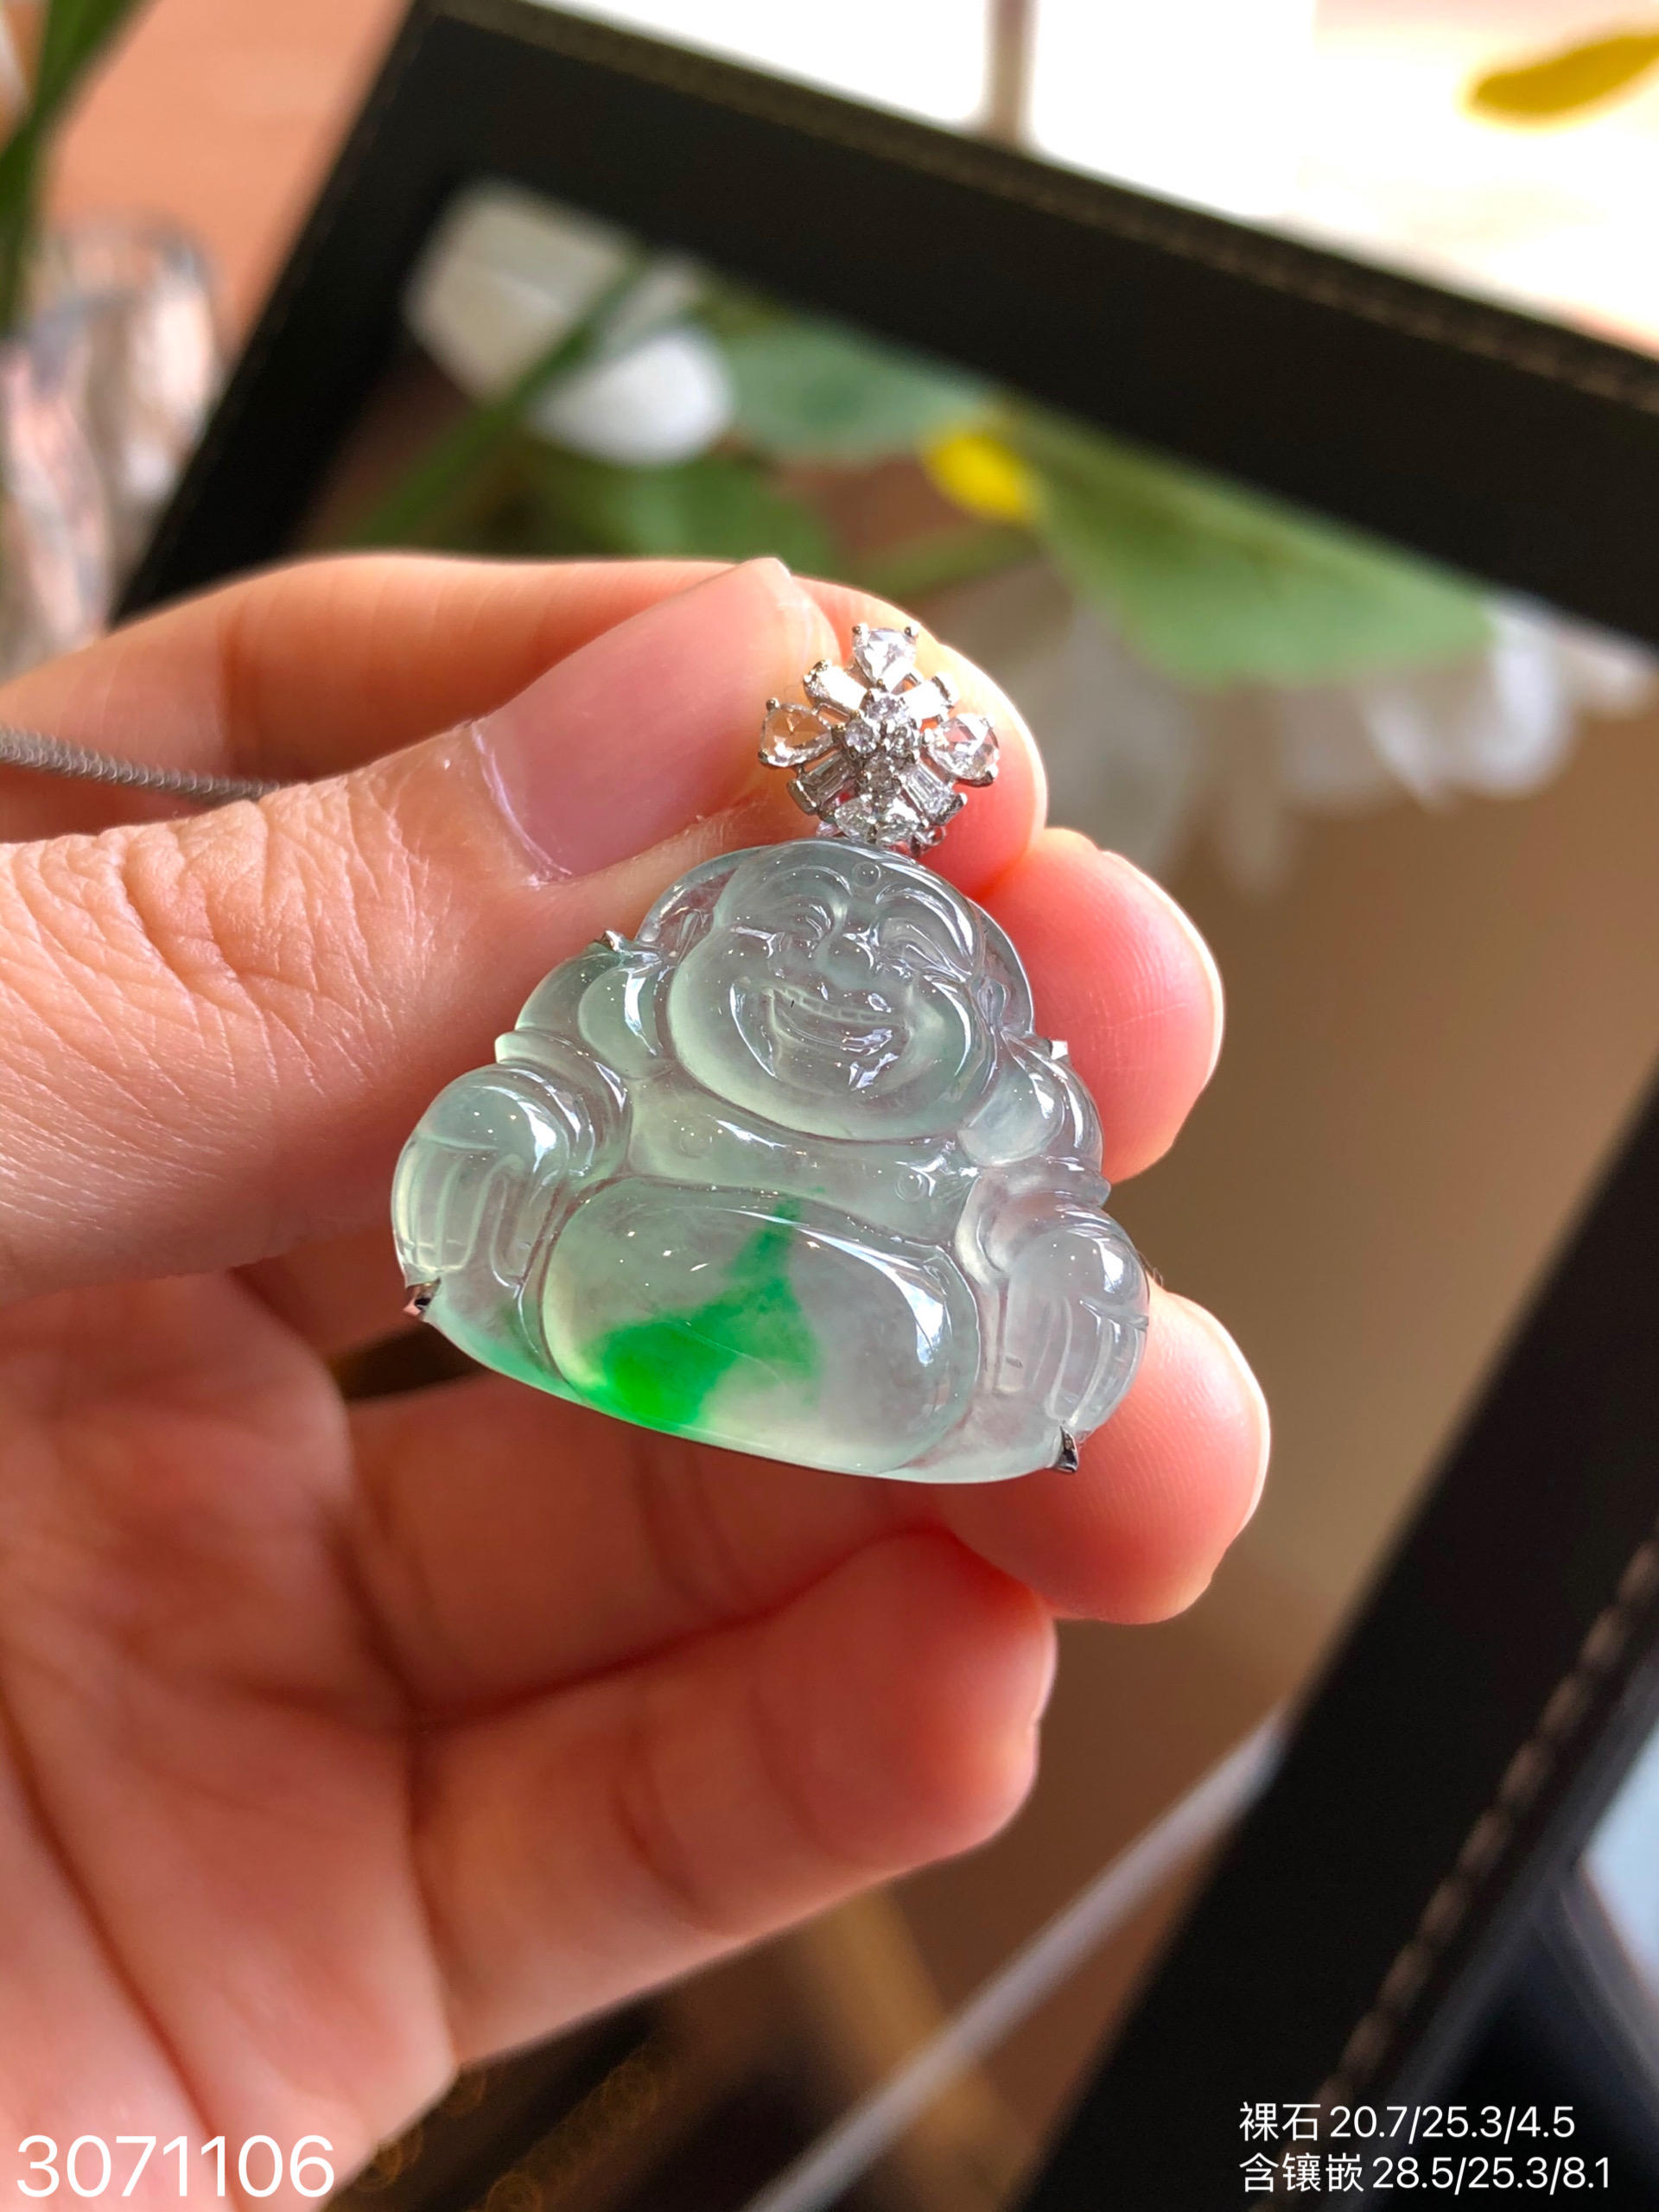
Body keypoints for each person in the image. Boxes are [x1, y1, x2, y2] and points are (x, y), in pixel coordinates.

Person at [0, 553, 1266, 2182]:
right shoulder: (628, 1023)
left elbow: (1041, 1219)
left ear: (981, 1027)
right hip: (633, 1237)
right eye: (802, 948)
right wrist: (510, 1145)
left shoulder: (989, 1127)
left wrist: (1046, 1282)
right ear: (695, 952)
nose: (843, 990)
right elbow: (538, 1104)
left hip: (898, 1324)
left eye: (898, 980)